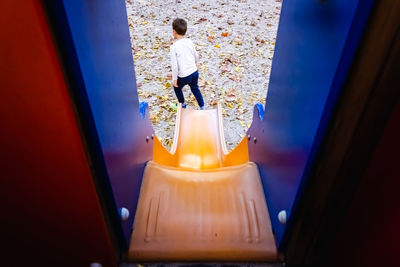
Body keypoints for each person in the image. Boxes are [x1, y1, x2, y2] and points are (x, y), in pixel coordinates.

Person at [170, 18, 204, 110]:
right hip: (194, 72)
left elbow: (175, 66)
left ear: (174, 31)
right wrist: (196, 64)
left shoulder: (174, 47)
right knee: (195, 88)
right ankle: (202, 107)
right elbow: (195, 55)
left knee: (177, 88)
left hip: (184, 75)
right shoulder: (189, 42)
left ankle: (182, 104)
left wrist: (175, 79)